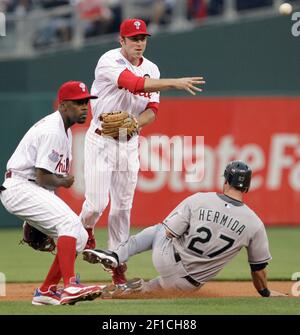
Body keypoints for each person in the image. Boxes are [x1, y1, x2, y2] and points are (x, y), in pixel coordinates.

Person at [80, 17, 205, 285]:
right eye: (134, 39)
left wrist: (136, 122)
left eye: (143, 38)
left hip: (129, 143)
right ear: (121, 40)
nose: (139, 43)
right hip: (101, 140)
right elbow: (133, 84)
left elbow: (152, 111)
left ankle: (117, 265)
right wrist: (176, 83)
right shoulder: (108, 61)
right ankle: (86, 228)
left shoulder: (152, 68)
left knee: (122, 209)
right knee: (96, 205)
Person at [83, 160, 286, 297]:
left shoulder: (200, 199)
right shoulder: (255, 223)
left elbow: (171, 232)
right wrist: (265, 293)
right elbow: (258, 270)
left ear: (226, 180)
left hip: (168, 260)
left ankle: (117, 256)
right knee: (154, 290)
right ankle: (124, 291)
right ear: (247, 187)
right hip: (188, 285)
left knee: (159, 230)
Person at [0, 81, 103, 305]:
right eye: (78, 103)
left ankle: (46, 290)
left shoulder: (63, 130)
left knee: (80, 237)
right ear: (63, 105)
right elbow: (42, 177)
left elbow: (43, 185)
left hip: (30, 188)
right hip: (20, 186)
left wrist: (36, 219)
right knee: (68, 223)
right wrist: (64, 181)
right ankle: (70, 286)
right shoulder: (53, 131)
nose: (84, 107)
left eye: (86, 102)